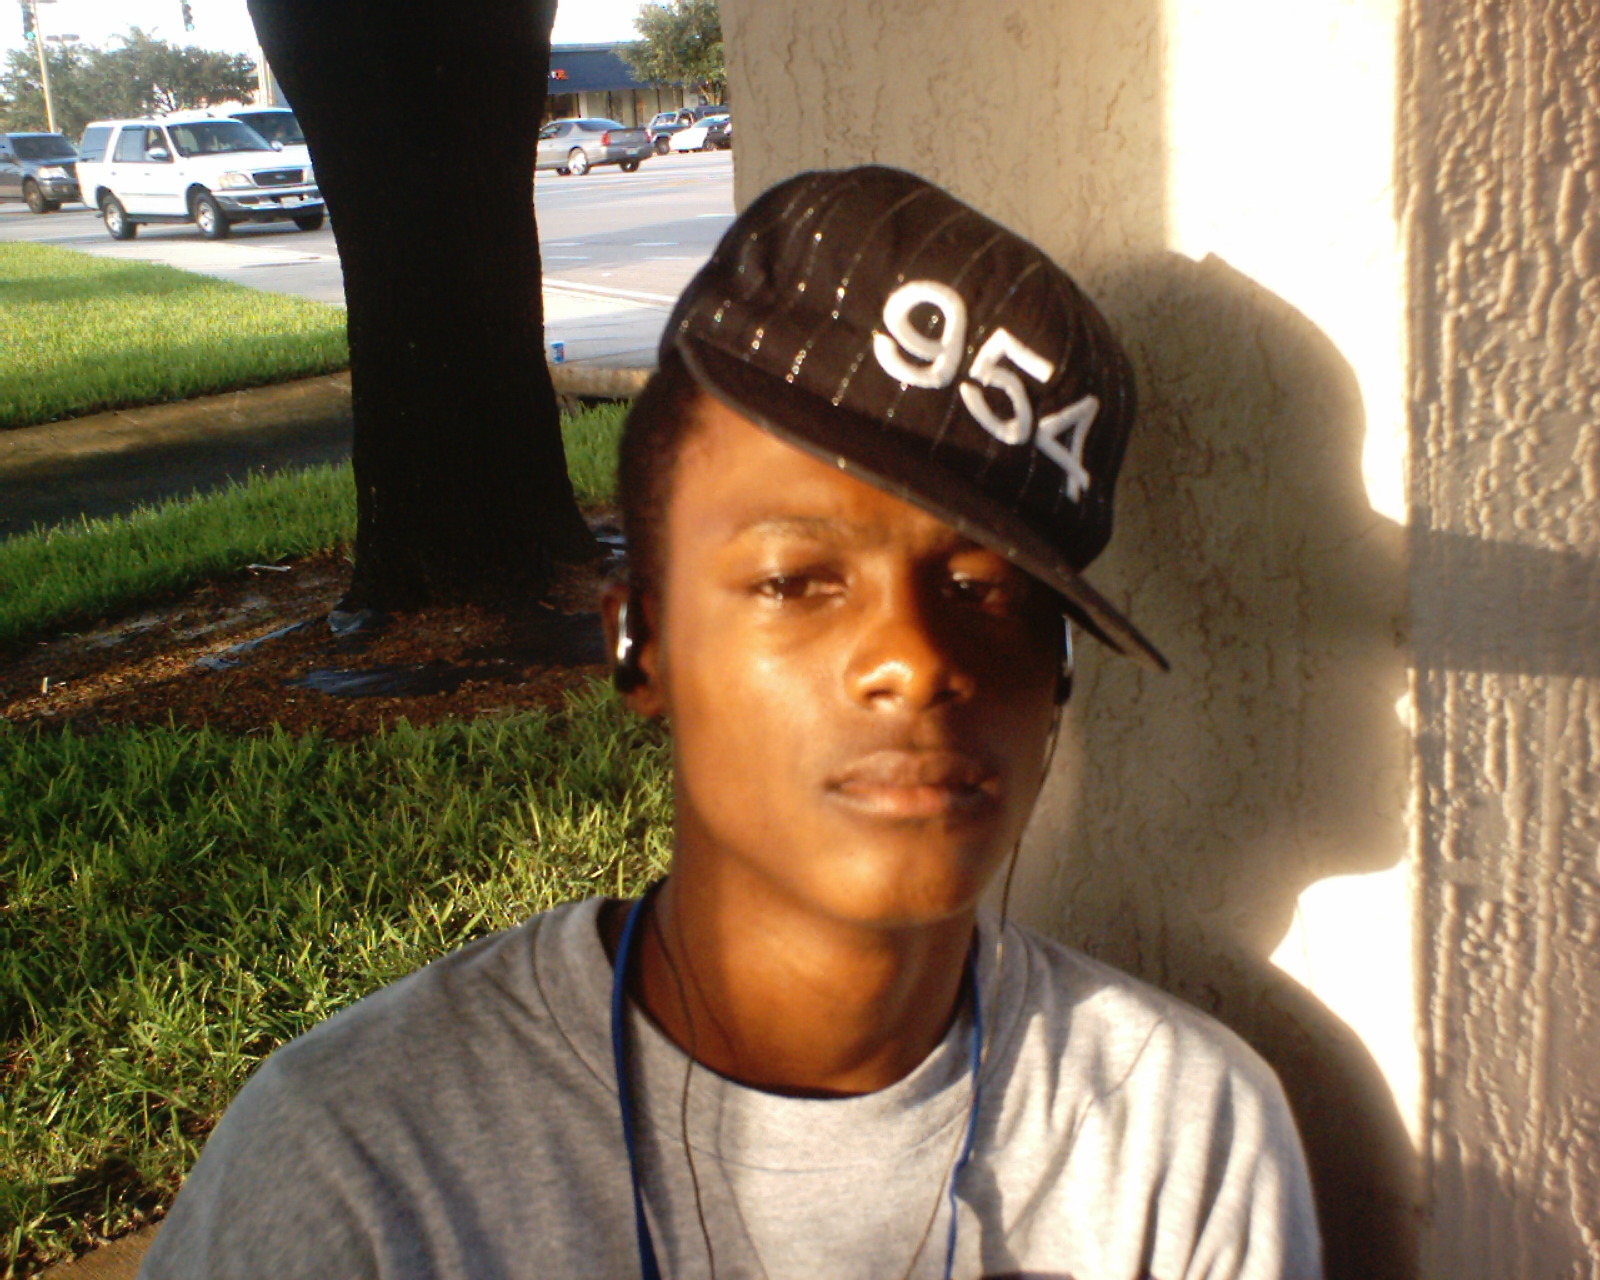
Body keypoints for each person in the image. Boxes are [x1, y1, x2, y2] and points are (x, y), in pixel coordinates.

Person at [138, 166, 1322, 1280]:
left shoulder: (1175, 1135)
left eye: (988, 592)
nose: (914, 659)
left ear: (1057, 675)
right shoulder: (358, 1166)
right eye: (796, 579)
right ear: (638, 644)